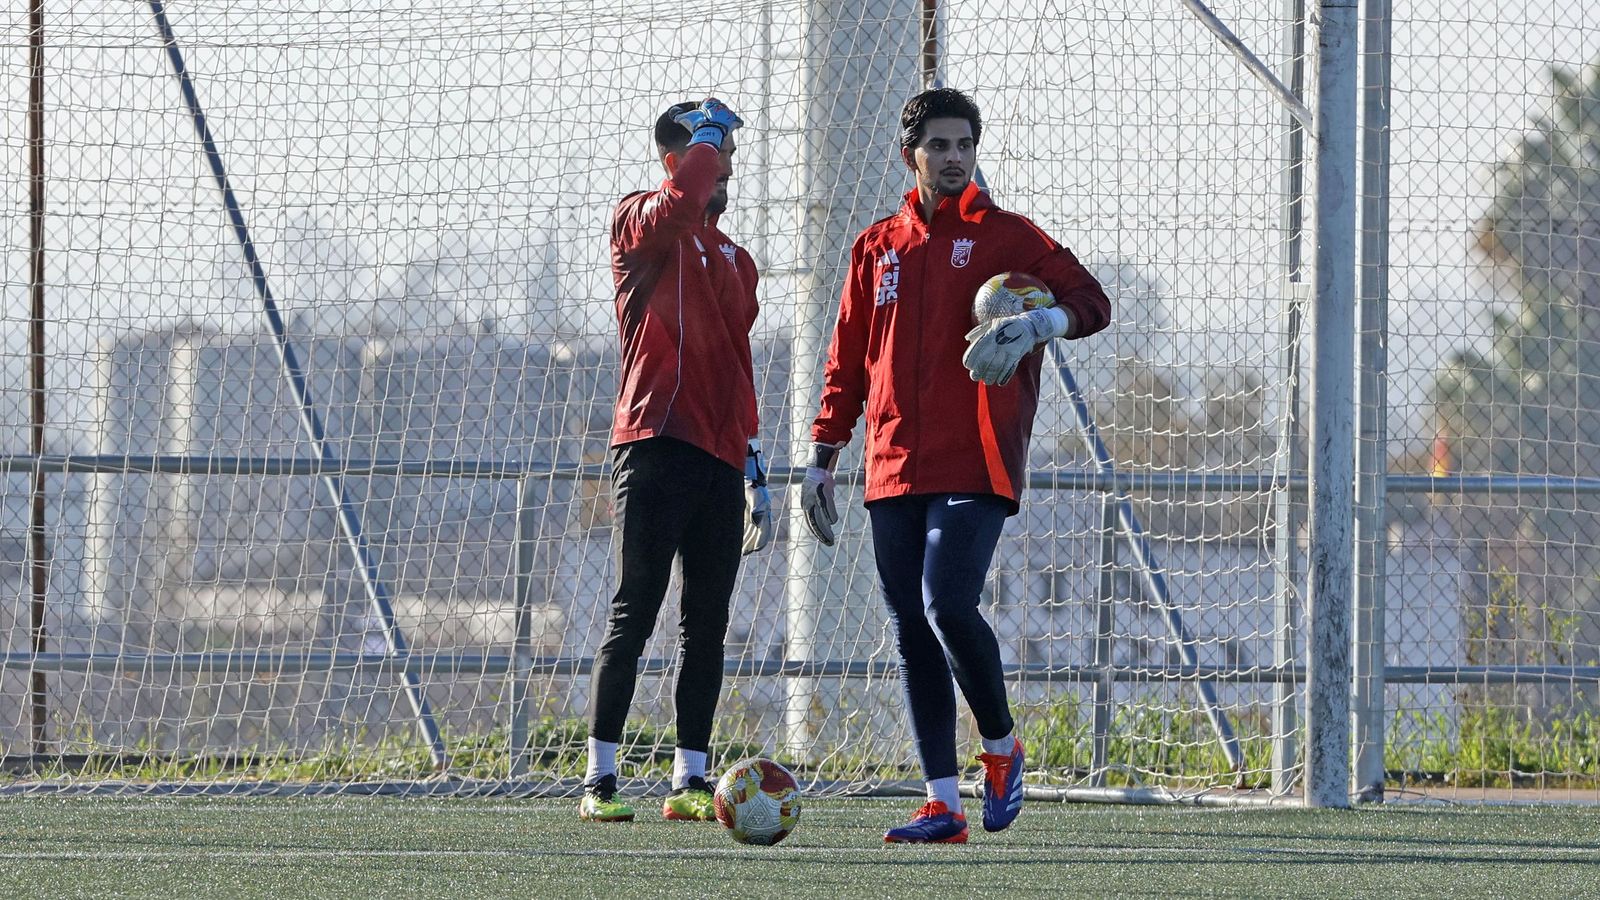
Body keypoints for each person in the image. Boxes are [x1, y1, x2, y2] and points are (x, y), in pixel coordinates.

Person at [799, 87, 1111, 843]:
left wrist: (1041, 322)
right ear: (909, 154)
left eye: (964, 145)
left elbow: (1092, 301)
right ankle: (942, 802)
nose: (953, 157)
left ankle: (1001, 748)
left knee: (945, 604)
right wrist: (821, 456)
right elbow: (847, 359)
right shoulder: (877, 246)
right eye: (938, 145)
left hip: (976, 461)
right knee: (910, 626)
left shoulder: (1008, 237)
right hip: (891, 463)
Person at [579, 97, 774, 823]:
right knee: (635, 607)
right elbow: (679, 202)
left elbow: (738, 364)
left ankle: (690, 780)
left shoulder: (738, 261)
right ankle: (599, 781)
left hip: (719, 457)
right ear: (678, 160)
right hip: (653, 442)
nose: (725, 171)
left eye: (728, 157)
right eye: (711, 155)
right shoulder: (640, 220)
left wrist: (753, 460)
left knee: (706, 622)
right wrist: (705, 143)